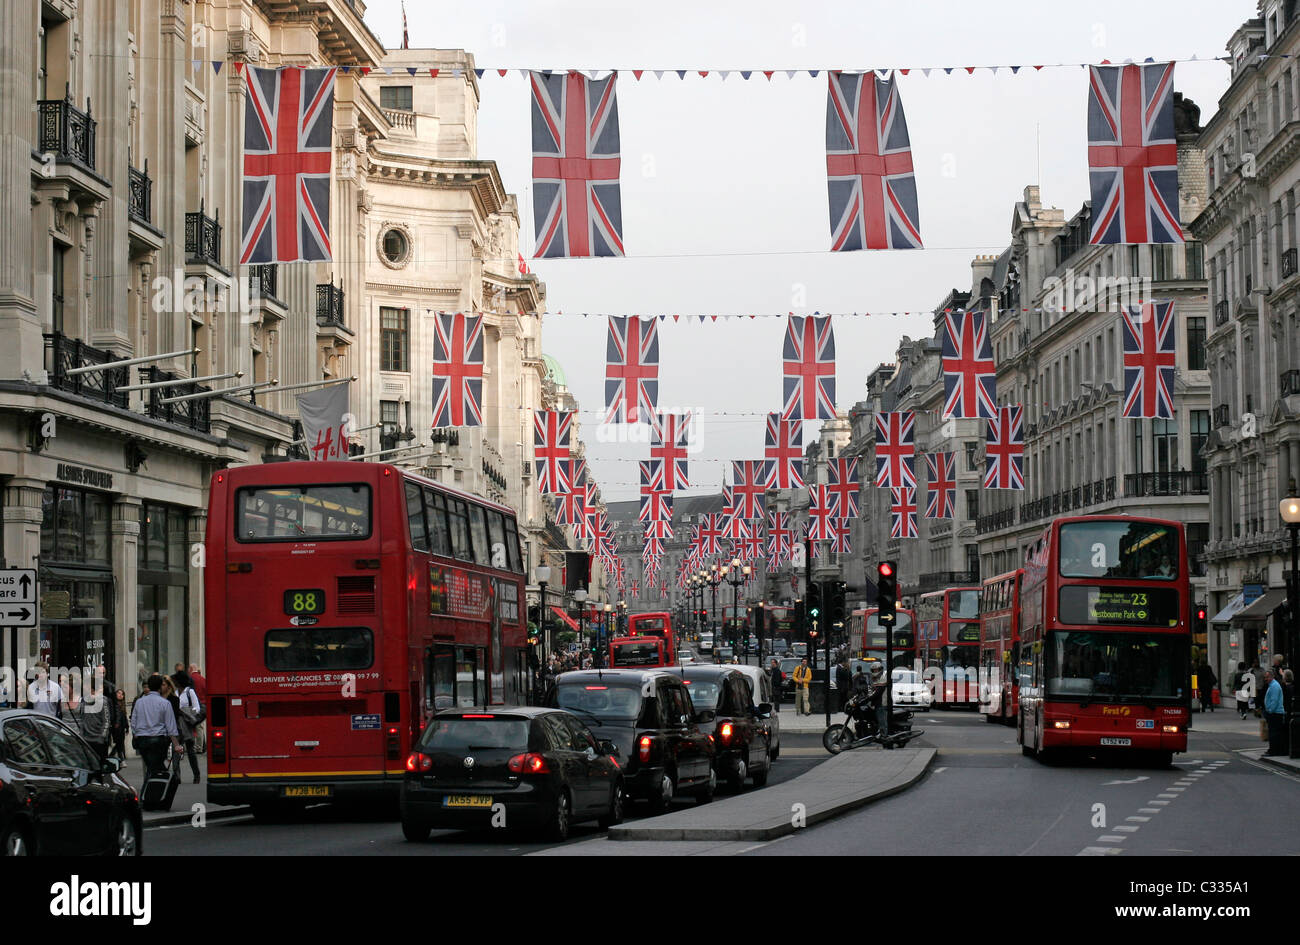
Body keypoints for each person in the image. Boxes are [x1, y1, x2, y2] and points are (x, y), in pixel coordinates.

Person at [130, 673, 184, 780]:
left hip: (143, 739)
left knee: (150, 767)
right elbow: (170, 726)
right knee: (157, 767)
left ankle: (150, 786)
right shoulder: (164, 703)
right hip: (159, 739)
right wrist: (176, 744)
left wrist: (135, 734)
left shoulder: (139, 702)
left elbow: (134, 721)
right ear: (160, 687)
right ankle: (155, 788)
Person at [78, 665, 120, 764]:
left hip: (98, 740)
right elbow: (82, 719)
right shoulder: (84, 701)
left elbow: (106, 721)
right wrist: (82, 735)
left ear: (93, 689)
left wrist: (102, 737)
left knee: (100, 764)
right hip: (87, 739)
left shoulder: (103, 701)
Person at [171, 672, 203, 783]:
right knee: (176, 750)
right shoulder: (174, 693)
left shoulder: (190, 692)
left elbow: (197, 708)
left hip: (186, 724)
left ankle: (196, 774)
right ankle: (176, 775)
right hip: (176, 724)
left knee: (190, 751)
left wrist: (186, 713)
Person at [1263, 670, 1288, 756]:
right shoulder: (1272, 685)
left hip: (1275, 713)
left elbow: (1274, 701)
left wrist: (1270, 710)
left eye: (1266, 677)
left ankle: (1273, 751)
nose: (1265, 679)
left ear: (1271, 677)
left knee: (1274, 733)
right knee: (1273, 733)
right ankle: (1272, 750)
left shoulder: (1274, 686)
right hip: (1274, 713)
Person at [188, 663, 208, 751]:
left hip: (193, 705)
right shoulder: (203, 679)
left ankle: (198, 747)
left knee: (194, 725)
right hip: (204, 704)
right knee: (199, 726)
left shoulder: (190, 679)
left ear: (191, 669)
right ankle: (201, 746)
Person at [111, 688, 128, 761]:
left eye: (122, 694)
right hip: (116, 726)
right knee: (118, 742)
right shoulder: (114, 704)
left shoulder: (122, 705)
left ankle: (119, 756)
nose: (120, 695)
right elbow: (117, 715)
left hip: (122, 726)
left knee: (120, 742)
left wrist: (127, 727)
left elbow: (124, 717)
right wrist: (116, 723)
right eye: (118, 693)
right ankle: (121, 757)